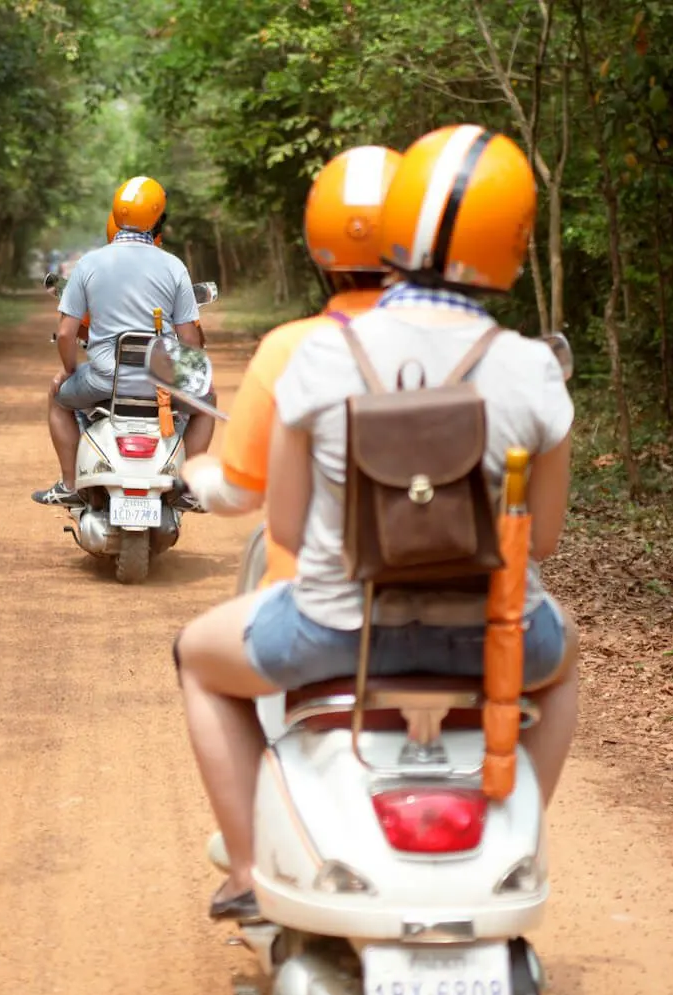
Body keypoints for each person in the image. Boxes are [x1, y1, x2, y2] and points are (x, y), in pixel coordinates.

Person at [173, 124, 580, 923]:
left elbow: (282, 527)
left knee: (196, 658)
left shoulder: (323, 356)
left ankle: (251, 871)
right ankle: (515, 836)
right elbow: (549, 536)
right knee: (564, 665)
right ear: (515, 245)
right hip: (494, 636)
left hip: (332, 630)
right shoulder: (532, 367)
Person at [179, 145, 405, 587]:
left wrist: (197, 470)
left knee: (195, 649)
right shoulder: (477, 346)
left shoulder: (289, 349)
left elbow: (238, 493)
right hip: (459, 611)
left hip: (319, 611)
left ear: (317, 247)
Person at [32, 177, 212, 508]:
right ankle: (189, 490)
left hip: (104, 381)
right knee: (207, 403)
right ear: (158, 218)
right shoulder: (174, 266)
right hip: (162, 385)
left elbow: (68, 333)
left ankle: (70, 484)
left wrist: (70, 372)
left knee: (58, 399)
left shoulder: (89, 264)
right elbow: (189, 338)